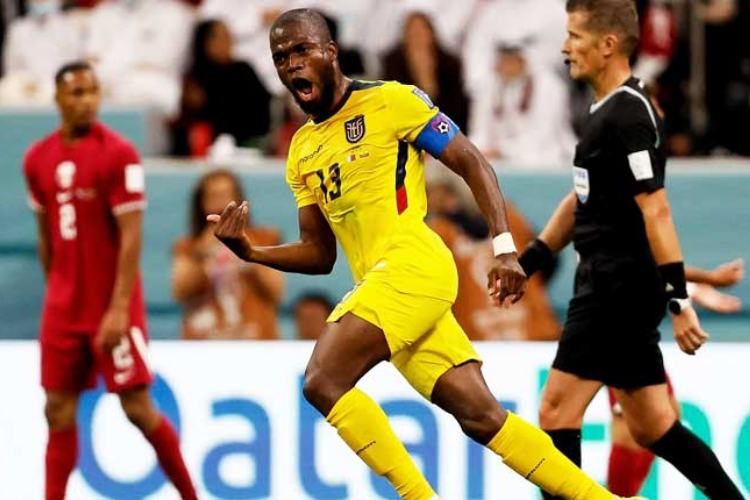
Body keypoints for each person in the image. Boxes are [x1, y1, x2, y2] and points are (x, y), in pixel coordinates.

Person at [209, 8, 638, 499]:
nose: (291, 64)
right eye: (280, 57)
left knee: (321, 381)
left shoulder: (392, 101)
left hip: (413, 265)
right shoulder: (302, 150)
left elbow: (472, 162)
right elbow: (319, 252)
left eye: (302, 50)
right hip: (385, 287)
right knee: (482, 416)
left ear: (329, 52)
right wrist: (251, 251)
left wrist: (503, 246)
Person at [515, 1, 744, 498]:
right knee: (654, 425)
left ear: (608, 44)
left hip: (613, 292)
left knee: (557, 409)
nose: (564, 46)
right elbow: (580, 199)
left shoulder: (630, 113)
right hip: (612, 287)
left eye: (575, 36)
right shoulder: (606, 109)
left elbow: (656, 211)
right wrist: (531, 258)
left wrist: (679, 301)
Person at [23, 62, 196, 500]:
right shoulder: (36, 159)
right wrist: (56, 294)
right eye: (76, 92)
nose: (86, 101)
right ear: (58, 99)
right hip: (63, 308)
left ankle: (191, 496)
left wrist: (119, 308)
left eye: (92, 92)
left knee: (137, 408)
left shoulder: (119, 154)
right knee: (57, 409)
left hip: (111, 305)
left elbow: (131, 235)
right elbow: (45, 237)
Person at [607, 259, 745, 496]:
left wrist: (687, 289)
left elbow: (640, 262)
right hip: (613, 326)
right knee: (641, 427)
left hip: (627, 324)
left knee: (664, 420)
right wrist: (690, 292)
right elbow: (628, 264)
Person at [426, 174, 560, 340]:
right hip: (527, 331)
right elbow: (549, 259)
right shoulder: (508, 216)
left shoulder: (439, 232)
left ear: (445, 194)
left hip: (482, 338)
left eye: (429, 194)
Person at [172, 168, 284, 340]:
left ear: (239, 199)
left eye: (226, 195)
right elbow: (180, 292)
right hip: (205, 340)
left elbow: (277, 291)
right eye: (213, 196)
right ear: (201, 203)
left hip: (256, 338)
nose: (221, 203)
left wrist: (249, 252)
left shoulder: (265, 238)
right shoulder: (188, 246)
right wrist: (201, 253)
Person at [171, 19, 272, 156]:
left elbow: (261, 114)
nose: (228, 42)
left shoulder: (243, 71)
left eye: (229, 37)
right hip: (201, 151)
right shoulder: (194, 79)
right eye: (221, 37)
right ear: (205, 42)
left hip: (245, 148)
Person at [468, 40, 576, 165]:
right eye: (503, 60)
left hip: (544, 158)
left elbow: (542, 137)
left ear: (524, 60)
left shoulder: (550, 88)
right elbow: (479, 132)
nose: (505, 65)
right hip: (496, 161)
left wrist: (503, 150)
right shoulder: (489, 87)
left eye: (511, 60)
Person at [382, 11, 469, 132]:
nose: (417, 37)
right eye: (412, 32)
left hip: (446, 128)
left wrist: (428, 79)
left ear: (432, 34)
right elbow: (390, 103)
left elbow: (457, 107)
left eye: (422, 31)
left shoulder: (450, 64)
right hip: (406, 129)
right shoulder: (393, 62)